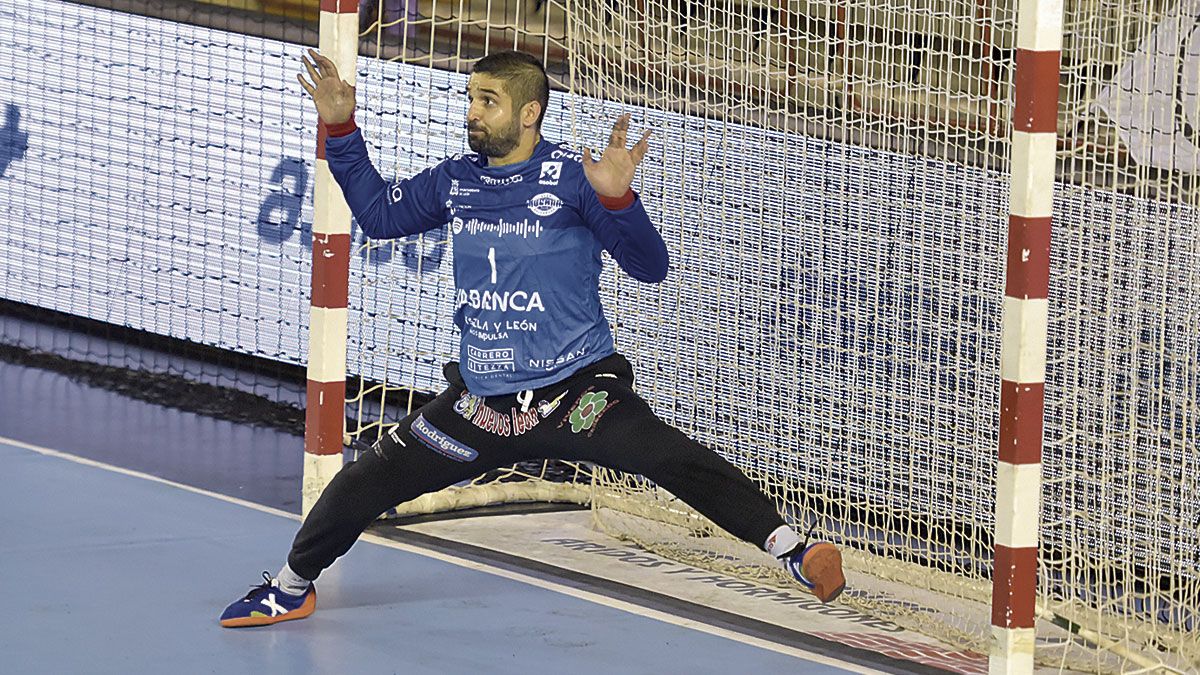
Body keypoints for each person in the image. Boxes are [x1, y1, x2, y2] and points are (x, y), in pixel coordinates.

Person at [219, 49, 844, 628]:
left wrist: (620, 200)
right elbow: (381, 216)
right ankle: (291, 585)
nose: (472, 113)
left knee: (669, 457)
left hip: (578, 397)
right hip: (483, 408)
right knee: (363, 482)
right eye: (470, 99)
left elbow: (651, 267)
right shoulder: (456, 179)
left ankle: (793, 549)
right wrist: (341, 129)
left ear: (528, 112)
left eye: (486, 101)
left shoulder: (576, 182)